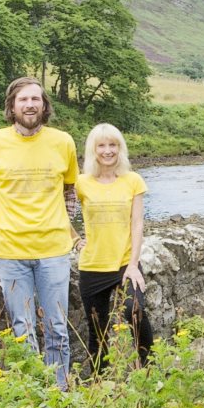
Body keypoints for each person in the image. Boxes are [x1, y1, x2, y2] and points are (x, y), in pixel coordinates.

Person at [0, 77, 80, 387]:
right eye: (23, 100)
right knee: (22, 327)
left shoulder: (63, 142)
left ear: (44, 105)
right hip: (10, 252)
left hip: (54, 250)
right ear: (12, 106)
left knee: (57, 325)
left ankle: (58, 392)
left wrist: (61, 219)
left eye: (36, 99)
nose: (30, 104)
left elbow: (70, 189)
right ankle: (34, 393)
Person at [74, 123, 151, 372]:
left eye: (113, 145)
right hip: (93, 266)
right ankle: (100, 380)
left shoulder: (132, 181)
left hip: (124, 264)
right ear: (93, 150)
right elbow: (58, 210)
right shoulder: (81, 183)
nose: (108, 151)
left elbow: (137, 223)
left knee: (134, 312)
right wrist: (74, 240)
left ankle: (147, 369)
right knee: (97, 330)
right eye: (102, 145)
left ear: (120, 148)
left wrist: (133, 265)